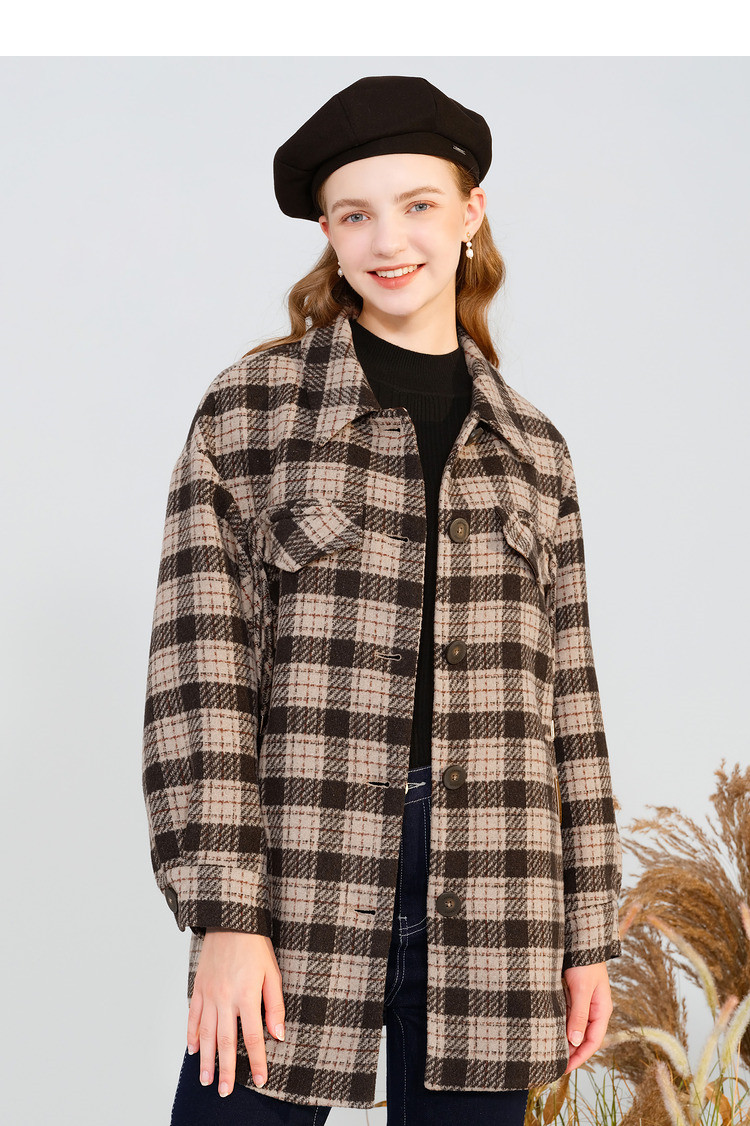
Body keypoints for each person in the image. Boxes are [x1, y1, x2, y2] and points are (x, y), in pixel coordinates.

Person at [142, 75, 623, 1125]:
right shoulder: (250, 412)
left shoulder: (537, 449)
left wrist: (588, 933)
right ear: (327, 232)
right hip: (301, 868)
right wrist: (225, 914)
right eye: (355, 214)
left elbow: (572, 708)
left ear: (471, 212)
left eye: (418, 204)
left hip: (503, 888)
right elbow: (198, 676)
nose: (388, 239)